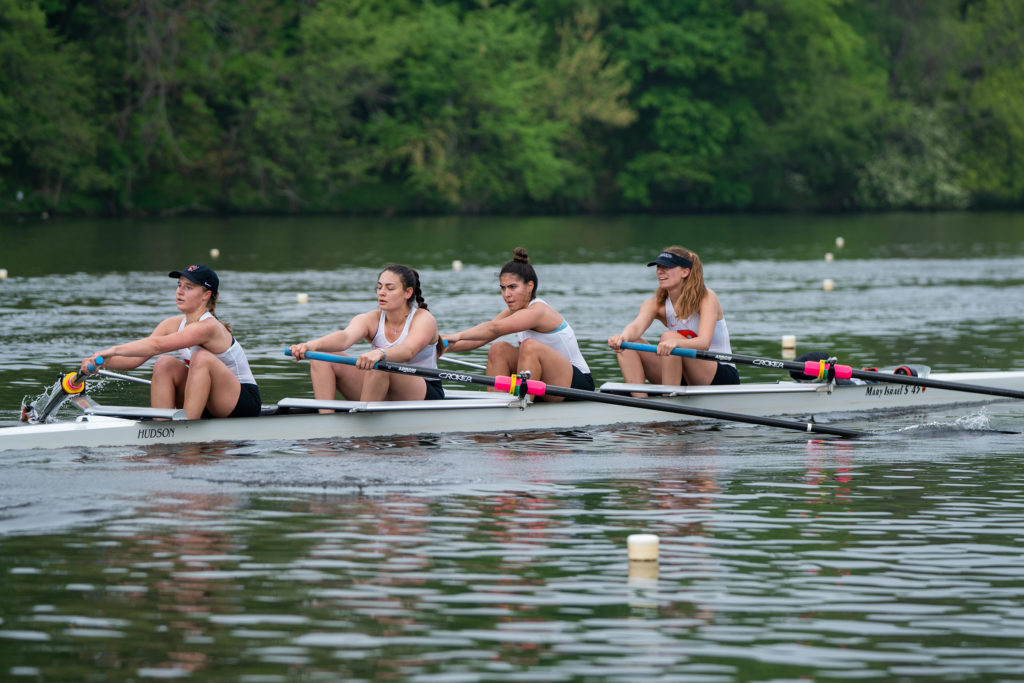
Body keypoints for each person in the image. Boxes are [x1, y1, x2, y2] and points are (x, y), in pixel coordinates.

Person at [81, 264, 262, 419]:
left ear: (206, 295)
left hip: (241, 402)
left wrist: (112, 350)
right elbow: (134, 360)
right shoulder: (171, 324)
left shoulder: (209, 327)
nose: (180, 291)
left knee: (201, 358)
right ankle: (161, 430)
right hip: (205, 398)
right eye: (179, 285)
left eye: (189, 287)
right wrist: (100, 361)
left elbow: (157, 345)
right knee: (164, 364)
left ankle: (185, 431)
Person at [441, 247, 593, 402]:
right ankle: (497, 404)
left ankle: (523, 403)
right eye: (503, 288)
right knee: (498, 349)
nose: (506, 294)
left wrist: (457, 335)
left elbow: (493, 328)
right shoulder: (514, 311)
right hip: (546, 382)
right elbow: (480, 339)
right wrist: (441, 345)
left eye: (512, 287)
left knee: (529, 346)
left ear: (530, 286)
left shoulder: (538, 311)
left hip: (578, 385)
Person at [288, 265, 443, 408]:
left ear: (408, 292)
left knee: (380, 365)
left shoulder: (423, 319)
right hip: (380, 382)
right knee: (321, 357)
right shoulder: (371, 319)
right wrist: (311, 345)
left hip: (423, 391)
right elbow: (345, 337)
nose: (382, 292)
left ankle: (363, 431)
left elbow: (408, 351)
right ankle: (325, 422)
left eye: (390, 288)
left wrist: (380, 353)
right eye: (379, 287)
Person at [608, 246, 739, 396]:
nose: (660, 271)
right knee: (628, 345)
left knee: (669, 337)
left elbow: (704, 343)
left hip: (718, 376)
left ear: (685, 272)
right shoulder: (655, 303)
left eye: (667, 267)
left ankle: (668, 401)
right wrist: (622, 337)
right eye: (658, 267)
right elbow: (636, 326)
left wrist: (675, 343)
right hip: (679, 373)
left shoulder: (707, 298)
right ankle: (640, 402)